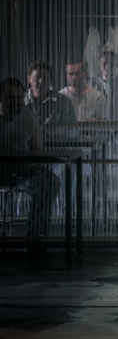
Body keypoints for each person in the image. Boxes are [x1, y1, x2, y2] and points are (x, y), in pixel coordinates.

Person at [0, 77, 60, 238]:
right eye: (10, 98)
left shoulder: (31, 120)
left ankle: (36, 237)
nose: (15, 102)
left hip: (22, 171)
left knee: (49, 182)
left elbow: (37, 153)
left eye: (18, 97)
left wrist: (28, 163)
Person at [24, 59, 76, 136]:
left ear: (50, 80)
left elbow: (74, 130)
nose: (41, 81)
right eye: (37, 78)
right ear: (29, 79)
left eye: (45, 78)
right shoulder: (21, 101)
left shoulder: (63, 101)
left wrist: (61, 130)